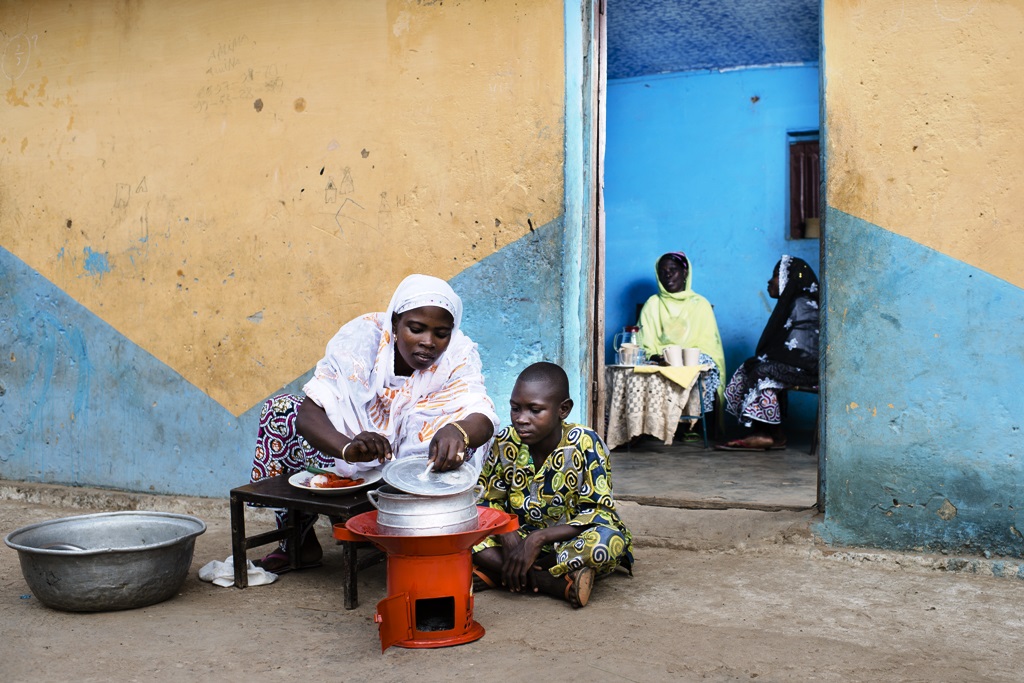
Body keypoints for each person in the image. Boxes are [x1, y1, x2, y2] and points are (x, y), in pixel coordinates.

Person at [250, 274, 499, 573]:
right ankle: (297, 544)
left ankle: (425, 542)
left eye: (441, 333)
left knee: (468, 441)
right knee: (282, 410)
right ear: (395, 324)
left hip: (414, 462)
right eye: (416, 329)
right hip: (353, 454)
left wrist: (458, 430)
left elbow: (481, 413)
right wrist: (348, 447)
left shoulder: (458, 355)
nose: (428, 342)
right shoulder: (362, 340)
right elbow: (309, 412)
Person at [472, 362, 633, 608]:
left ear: (563, 409)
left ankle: (503, 573)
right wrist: (507, 532)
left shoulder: (585, 443)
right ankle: (549, 582)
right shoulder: (505, 442)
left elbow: (598, 511)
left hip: (566, 542)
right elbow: (488, 501)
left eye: (535, 410)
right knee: (466, 534)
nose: (521, 419)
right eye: (515, 408)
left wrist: (538, 539)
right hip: (517, 538)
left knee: (607, 541)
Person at [715, 255, 819, 451]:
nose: (770, 281)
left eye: (775, 275)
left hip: (810, 370)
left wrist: (771, 360)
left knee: (763, 370)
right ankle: (768, 433)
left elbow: (804, 350)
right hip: (799, 365)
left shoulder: (801, 303)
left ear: (790, 278)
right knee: (753, 365)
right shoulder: (792, 302)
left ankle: (770, 434)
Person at [637, 251, 725, 412]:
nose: (667, 275)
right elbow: (644, 343)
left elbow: (709, 346)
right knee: (639, 367)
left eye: (672, 270)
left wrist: (682, 359)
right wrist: (660, 357)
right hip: (661, 360)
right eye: (662, 272)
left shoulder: (699, 304)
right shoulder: (653, 304)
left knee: (703, 367)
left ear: (685, 272)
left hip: (693, 360)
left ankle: (693, 422)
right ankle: (654, 424)